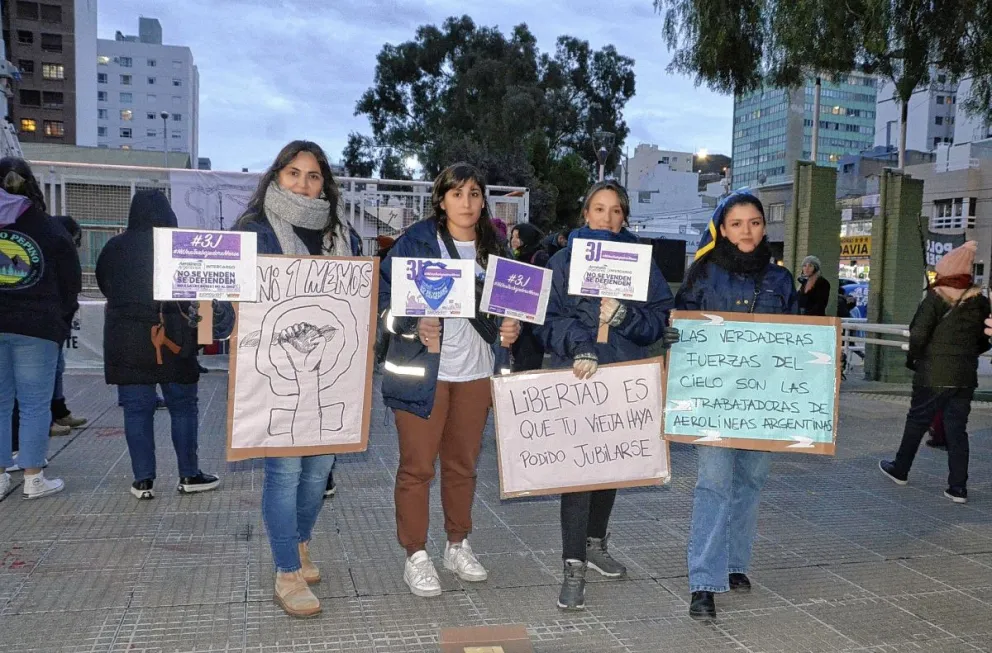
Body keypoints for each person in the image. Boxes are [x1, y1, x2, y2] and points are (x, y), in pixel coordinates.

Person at [378, 162, 520, 599]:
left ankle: (457, 544)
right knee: (417, 468)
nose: (467, 202)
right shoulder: (414, 244)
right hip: (424, 374)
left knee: (463, 467)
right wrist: (411, 323)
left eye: (475, 194)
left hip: (476, 374)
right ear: (440, 199)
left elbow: (510, 310)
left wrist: (510, 331)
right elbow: (382, 304)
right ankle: (415, 554)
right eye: (457, 193)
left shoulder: (495, 249)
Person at [535, 180, 674, 611]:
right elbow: (546, 319)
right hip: (576, 376)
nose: (608, 218)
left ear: (625, 217)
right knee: (578, 474)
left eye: (616, 211)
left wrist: (625, 314)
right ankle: (572, 563)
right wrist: (580, 343)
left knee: (610, 466)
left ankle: (595, 544)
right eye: (599, 209)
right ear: (585, 214)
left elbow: (657, 322)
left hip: (622, 377)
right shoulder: (561, 262)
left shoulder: (643, 265)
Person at [233, 140, 353, 618]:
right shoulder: (253, 230)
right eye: (294, 173)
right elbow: (230, 304)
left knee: (318, 472)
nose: (304, 184)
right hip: (274, 373)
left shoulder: (340, 235)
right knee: (284, 473)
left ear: (325, 183)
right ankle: (285, 569)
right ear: (276, 176)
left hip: (330, 374)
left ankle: (300, 543)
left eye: (314, 175)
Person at [674, 191, 798, 621]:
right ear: (721, 229)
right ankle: (704, 581)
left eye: (755, 223)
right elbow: (681, 326)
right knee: (713, 483)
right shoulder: (703, 275)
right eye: (737, 223)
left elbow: (798, 340)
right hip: (714, 401)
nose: (747, 231)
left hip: (765, 402)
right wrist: (676, 338)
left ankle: (735, 565)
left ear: (764, 228)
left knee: (750, 482)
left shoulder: (781, 281)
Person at [96, 190, 220, 502]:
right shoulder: (178, 246)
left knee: (137, 410)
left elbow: (104, 286)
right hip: (173, 336)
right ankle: (189, 475)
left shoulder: (114, 247)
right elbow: (198, 290)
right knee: (183, 407)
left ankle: (143, 481)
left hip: (125, 339)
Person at [879, 241, 991, 504]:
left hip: (933, 373)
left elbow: (918, 333)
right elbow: (986, 337)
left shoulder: (936, 297)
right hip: (964, 376)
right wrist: (969, 353)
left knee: (917, 421)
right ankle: (957, 487)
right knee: (957, 429)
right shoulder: (981, 302)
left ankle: (900, 469)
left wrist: (914, 358)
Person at [0, 157, 80, 499]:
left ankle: (1, 476)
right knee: (35, 404)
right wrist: (60, 320)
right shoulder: (48, 228)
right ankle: (33, 477)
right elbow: (70, 282)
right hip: (38, 327)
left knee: (1, 403)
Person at [48, 215, 87, 433]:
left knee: (57, 367)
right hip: (48, 322)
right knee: (47, 371)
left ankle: (59, 411)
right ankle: (48, 418)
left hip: (57, 321)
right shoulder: (55, 252)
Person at [508, 223, 550, 372]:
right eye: (512, 236)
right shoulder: (514, 255)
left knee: (529, 358)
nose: (514, 240)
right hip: (518, 316)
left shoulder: (539, 256)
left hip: (532, 321)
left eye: (518, 237)